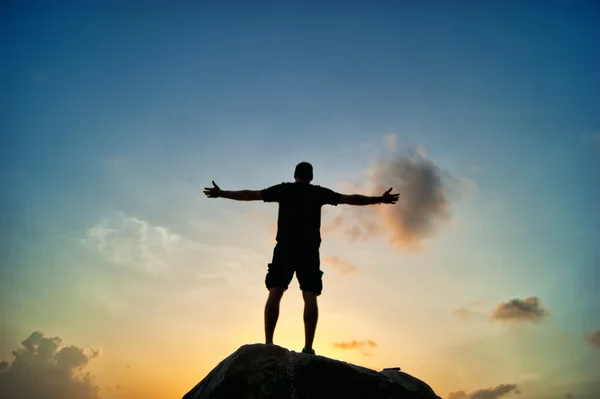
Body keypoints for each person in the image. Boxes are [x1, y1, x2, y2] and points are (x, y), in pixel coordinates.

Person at [203, 162, 399, 355]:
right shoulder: (318, 192)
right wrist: (378, 199)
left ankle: (269, 343)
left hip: (285, 248)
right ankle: (308, 347)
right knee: (310, 295)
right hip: (309, 249)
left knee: (275, 292)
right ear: (311, 177)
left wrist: (222, 194)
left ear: (294, 174)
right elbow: (350, 199)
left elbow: (250, 194)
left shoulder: (284, 190)